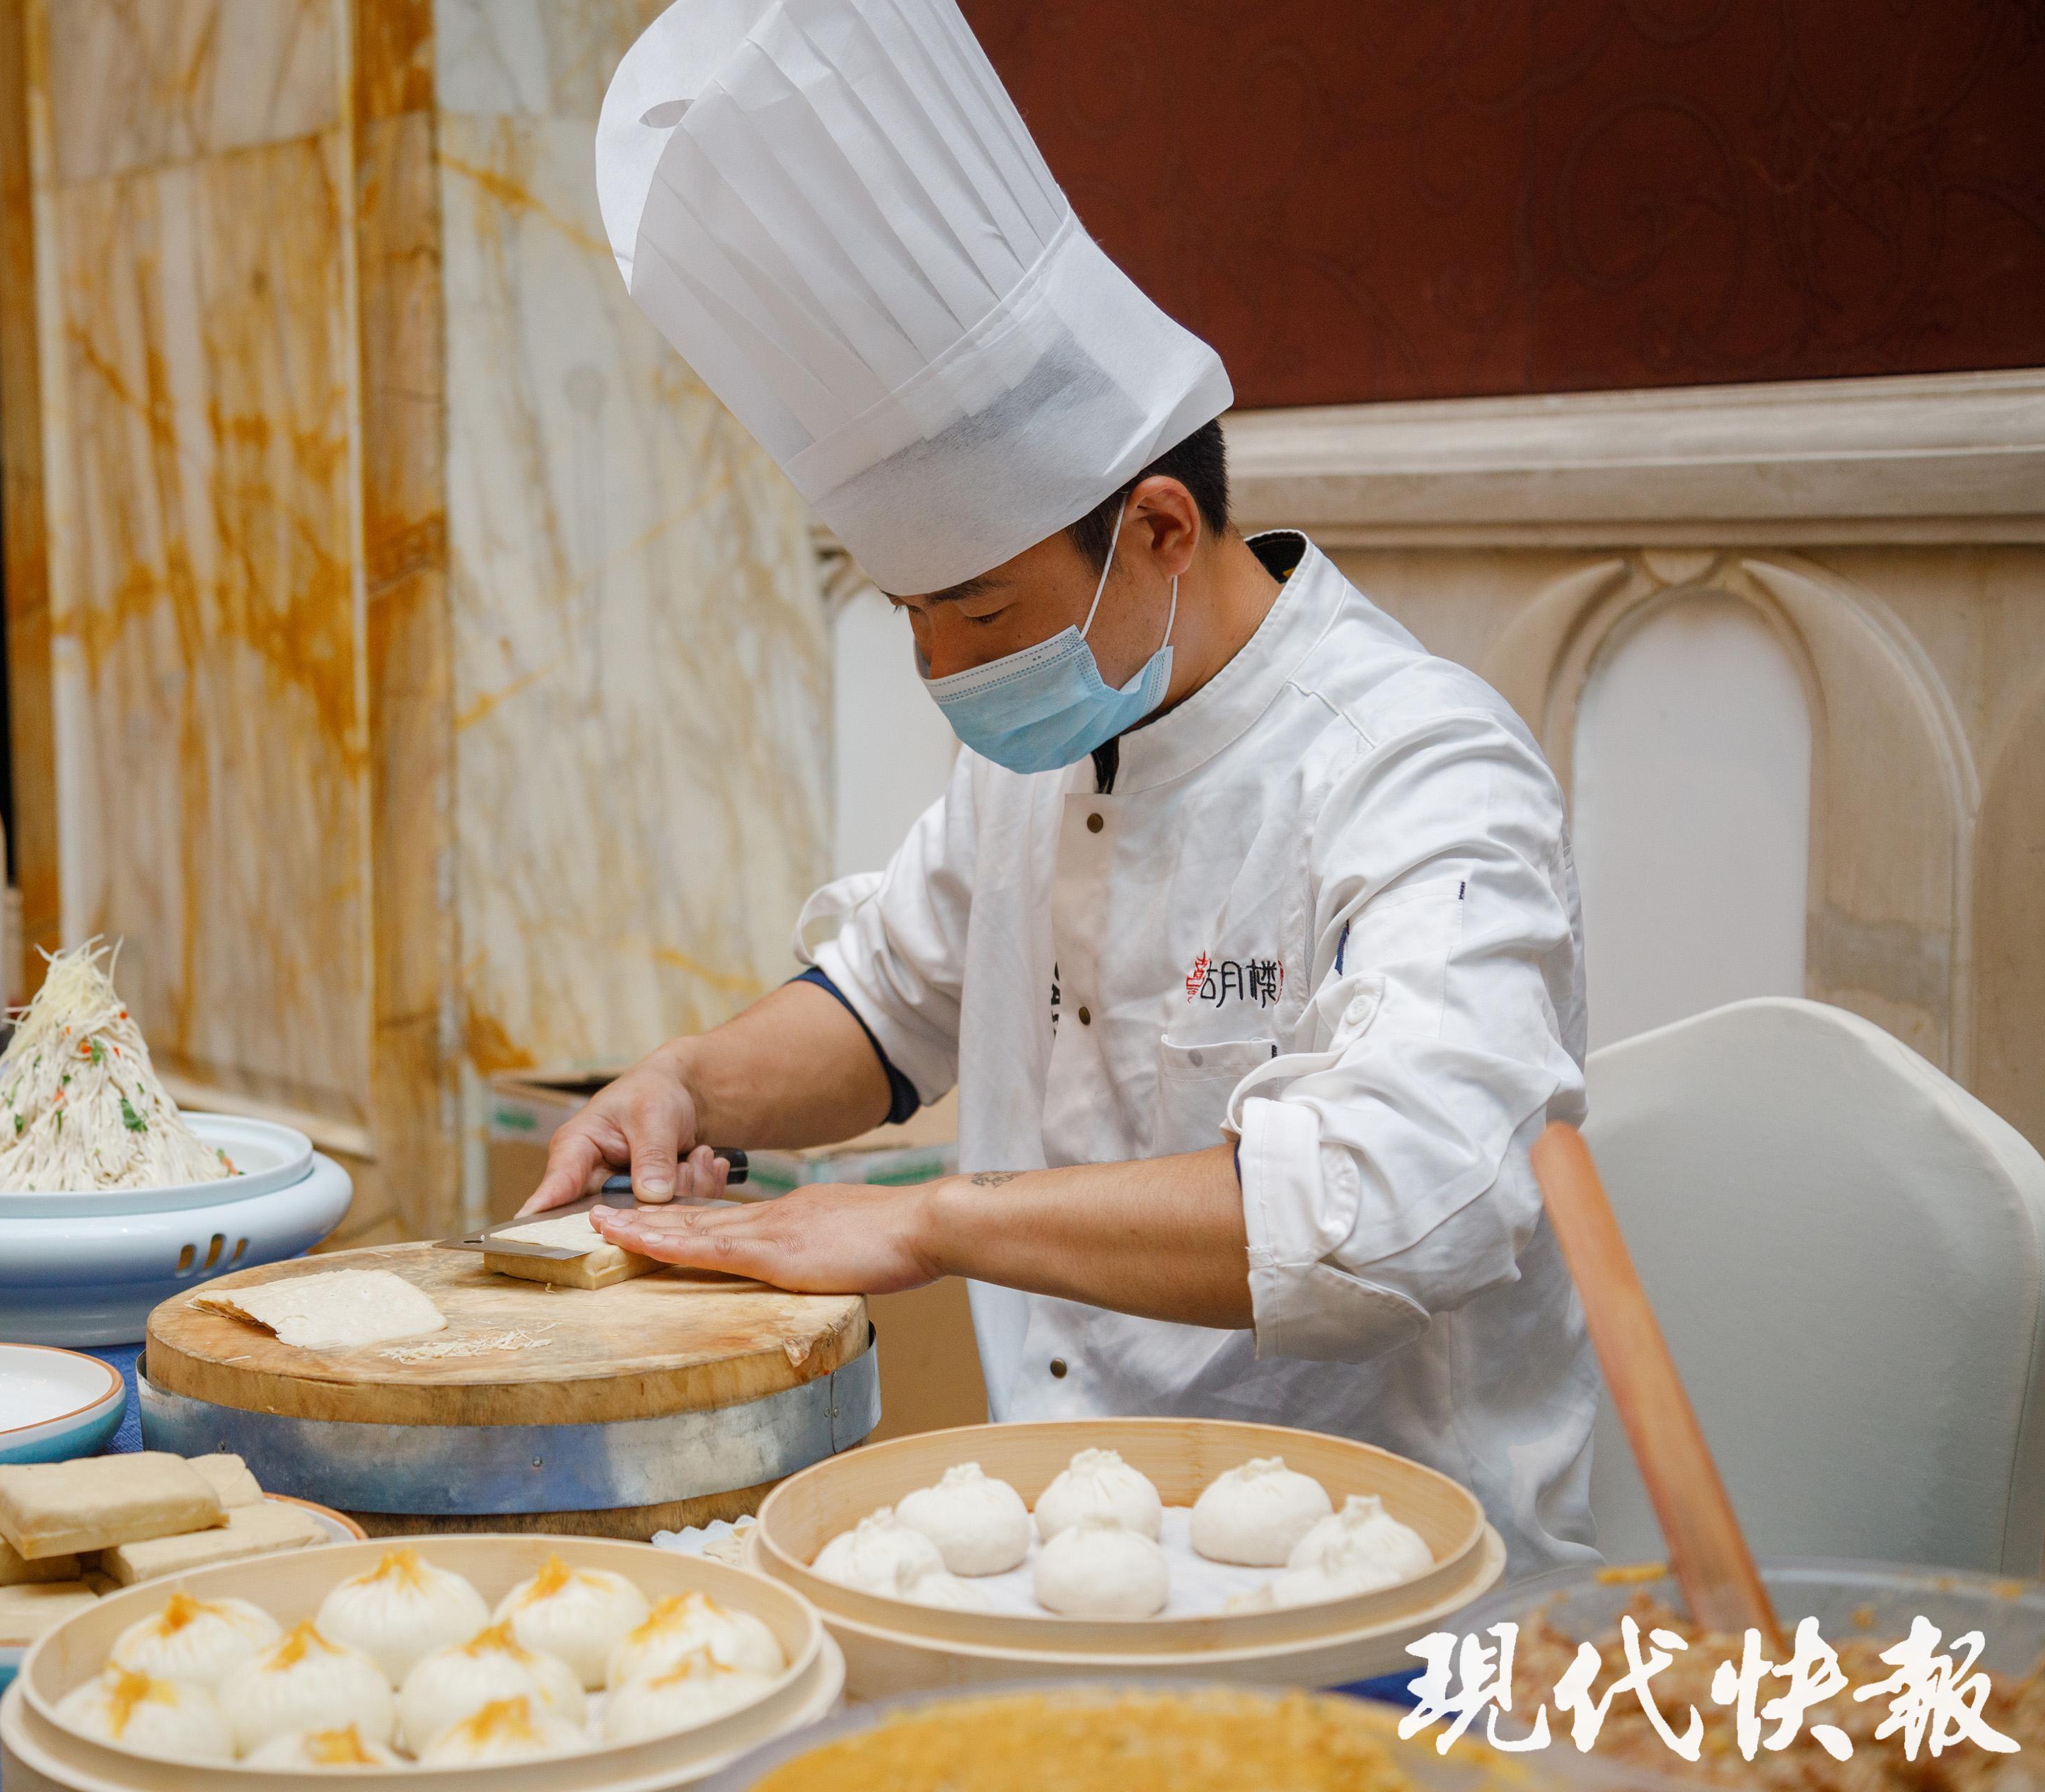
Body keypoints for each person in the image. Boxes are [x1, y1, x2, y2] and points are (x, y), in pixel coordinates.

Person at [524, 0, 1600, 1573]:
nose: (940, 669)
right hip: (1057, 1542)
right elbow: (886, 1000)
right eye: (908, 616)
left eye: (978, 615)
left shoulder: (1420, 766)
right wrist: (686, 1084)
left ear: (1158, 529)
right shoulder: (1037, 759)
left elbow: (1398, 1199)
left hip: (1386, 1583)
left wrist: (934, 1218)